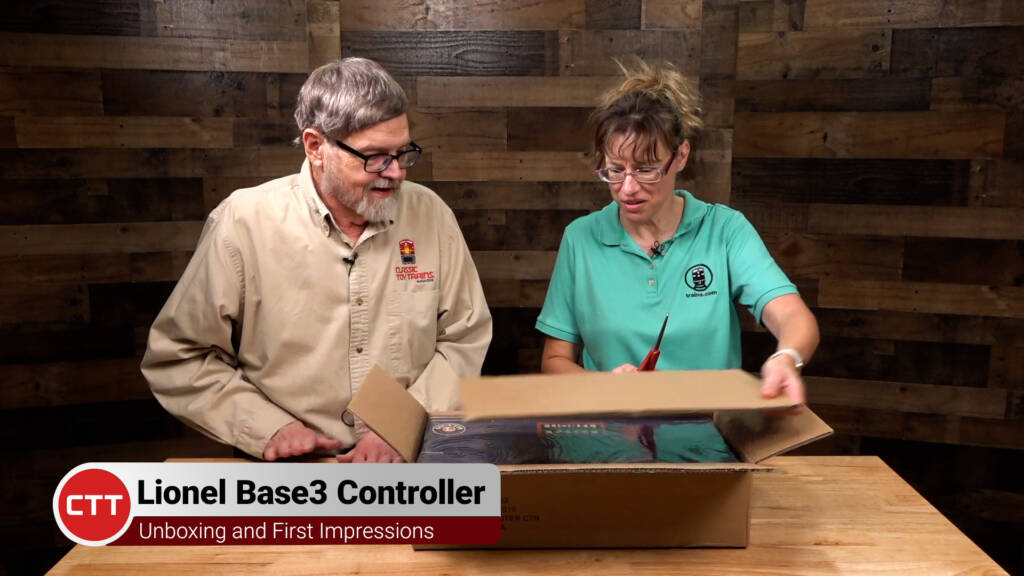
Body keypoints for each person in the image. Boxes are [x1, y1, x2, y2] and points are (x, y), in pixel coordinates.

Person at [142, 57, 492, 462]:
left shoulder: (431, 214)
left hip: (410, 463)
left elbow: (464, 337)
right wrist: (267, 428)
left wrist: (402, 424)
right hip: (286, 473)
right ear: (315, 147)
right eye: (375, 156)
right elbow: (180, 357)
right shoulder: (242, 222)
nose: (396, 172)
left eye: (402, 153)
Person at [536, 60, 818, 404]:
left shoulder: (725, 230)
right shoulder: (580, 238)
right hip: (610, 427)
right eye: (615, 170)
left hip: (710, 429)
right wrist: (606, 387)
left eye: (646, 170)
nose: (628, 188)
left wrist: (786, 358)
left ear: (681, 155)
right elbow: (554, 360)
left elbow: (792, 316)